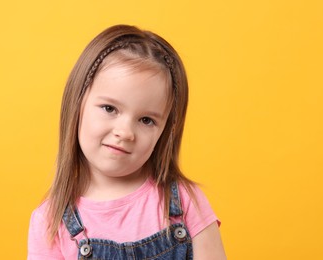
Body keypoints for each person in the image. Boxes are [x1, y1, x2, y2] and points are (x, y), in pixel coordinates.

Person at [28, 24, 226, 259]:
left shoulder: (184, 201)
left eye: (146, 120)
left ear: (165, 130)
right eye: (109, 108)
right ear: (77, 103)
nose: (126, 132)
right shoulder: (50, 222)